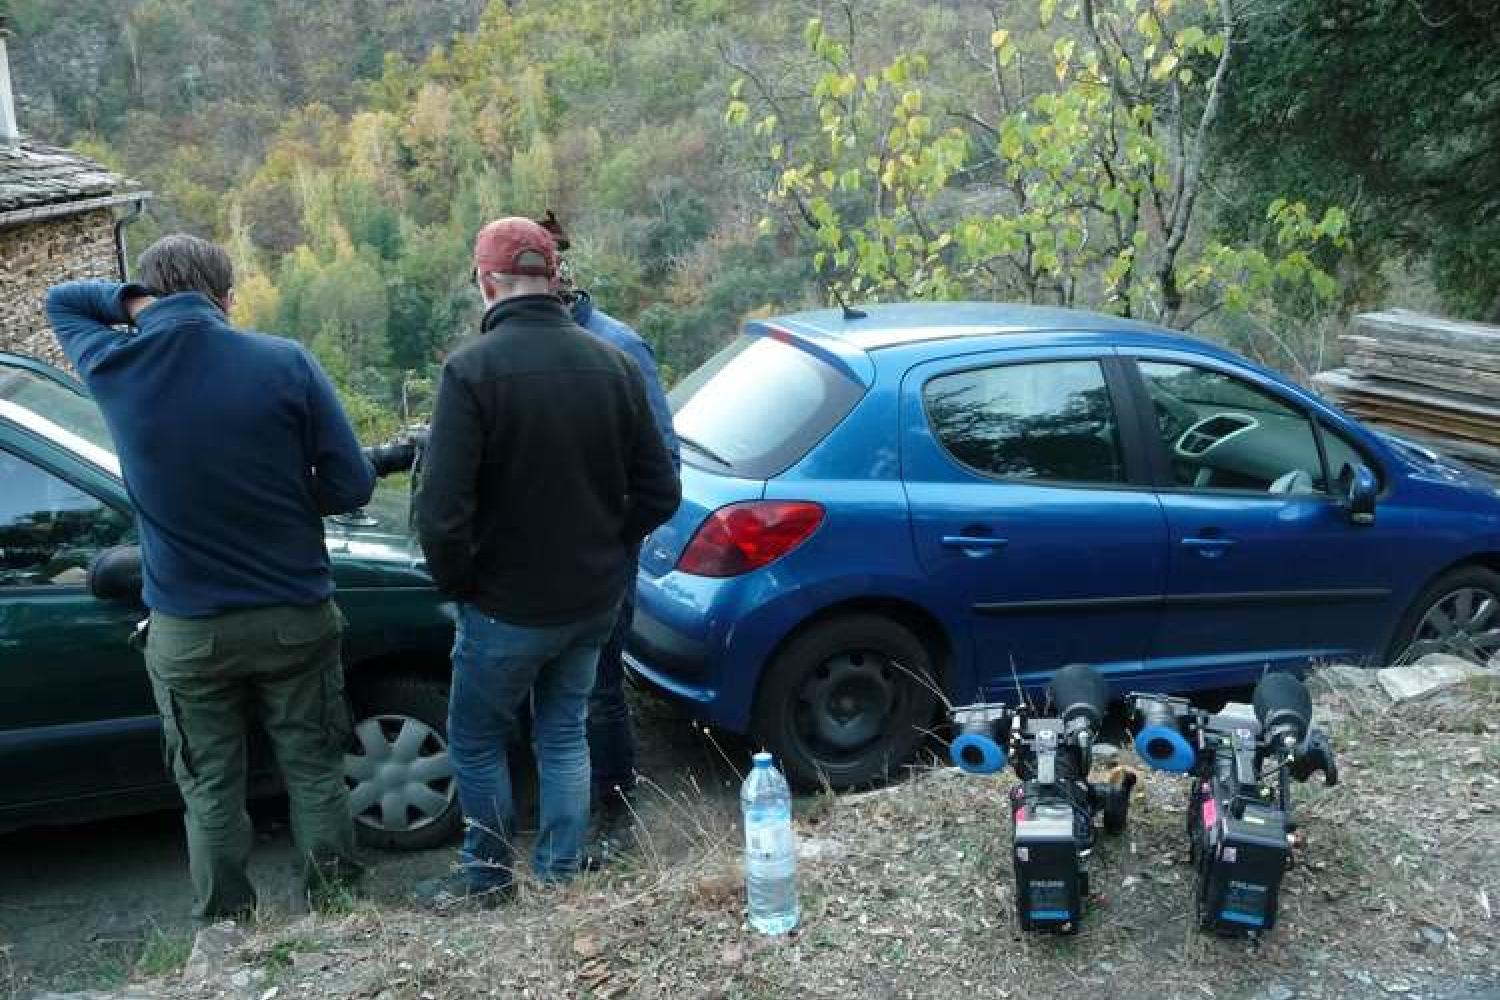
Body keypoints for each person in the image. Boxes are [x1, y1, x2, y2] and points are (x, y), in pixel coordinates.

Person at [44, 235, 375, 924]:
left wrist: (138, 305)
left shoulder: (114, 362)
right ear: (227, 298)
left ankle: (229, 930)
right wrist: (284, 497)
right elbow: (352, 482)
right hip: (294, 614)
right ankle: (340, 917)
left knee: (210, 788)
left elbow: (62, 300)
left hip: (189, 631)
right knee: (313, 770)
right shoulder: (284, 362)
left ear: (149, 296)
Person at [415, 217, 679, 905]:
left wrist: (463, 585)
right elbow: (662, 489)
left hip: (504, 606)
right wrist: (610, 546)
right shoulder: (615, 363)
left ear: (486, 280)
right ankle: (560, 871)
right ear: (555, 276)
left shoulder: (470, 372)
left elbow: (440, 514)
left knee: (476, 739)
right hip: (591, 602)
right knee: (563, 731)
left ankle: (489, 878)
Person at [538, 214, 680, 837]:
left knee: (598, 686)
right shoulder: (519, 349)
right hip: (537, 556)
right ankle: (565, 806)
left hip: (602, 555)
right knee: (555, 686)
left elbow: (664, 467)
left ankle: (614, 813)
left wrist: (617, 538)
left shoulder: (620, 346)